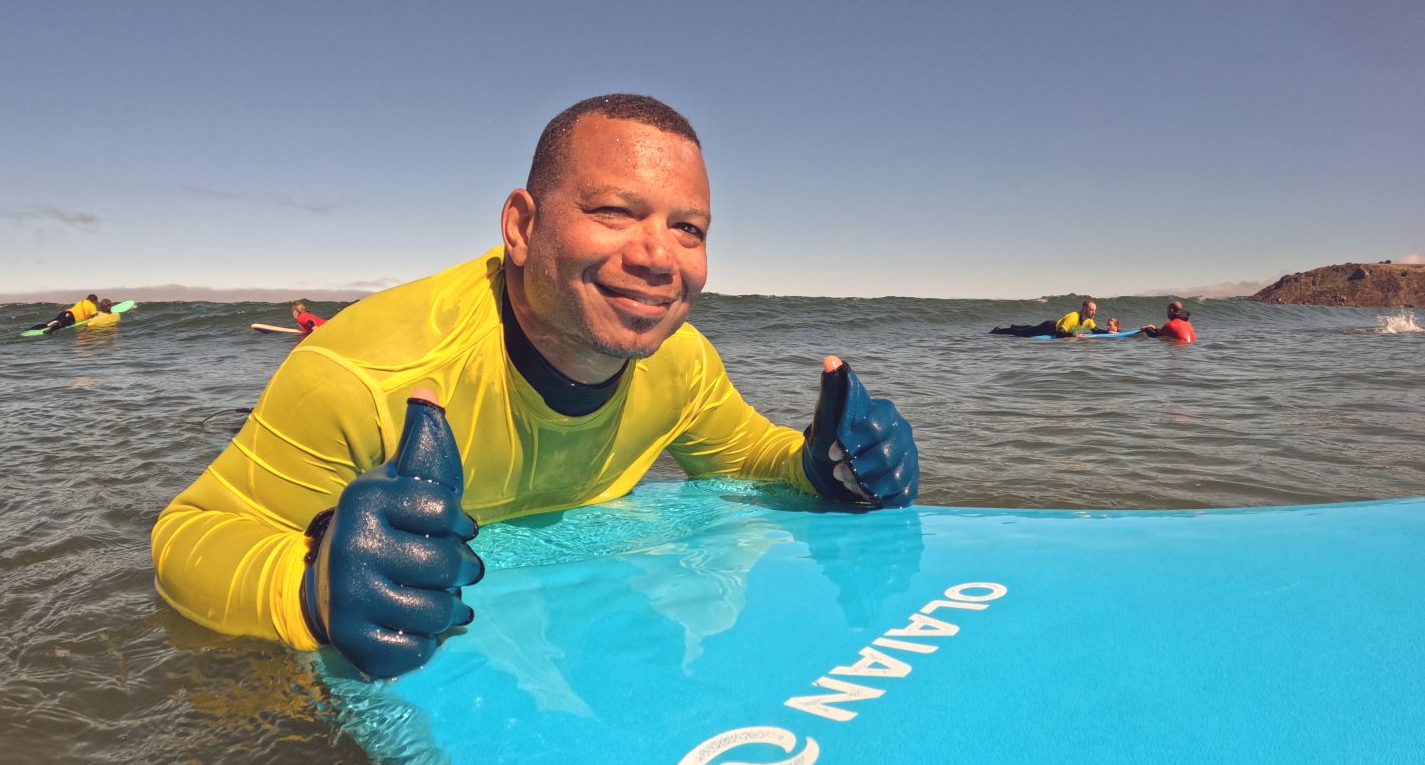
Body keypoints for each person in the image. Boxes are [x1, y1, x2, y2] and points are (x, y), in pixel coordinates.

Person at [152, 94, 919, 679]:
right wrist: (309, 587)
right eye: (616, 212)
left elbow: (746, 457)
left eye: (689, 229)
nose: (660, 257)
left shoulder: (680, 363)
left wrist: (824, 463)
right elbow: (189, 539)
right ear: (521, 226)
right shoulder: (367, 374)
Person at [991, 299, 1099, 338]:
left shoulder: (1089, 320)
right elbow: (1059, 334)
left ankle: (1015, 326)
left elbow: (1096, 330)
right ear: (1084, 308)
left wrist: (1112, 331)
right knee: (1024, 334)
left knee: (1030, 329)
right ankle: (998, 330)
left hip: (1053, 325)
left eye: (1094, 310)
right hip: (1049, 327)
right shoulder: (1072, 317)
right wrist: (1073, 335)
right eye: (1091, 310)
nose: (1094, 312)